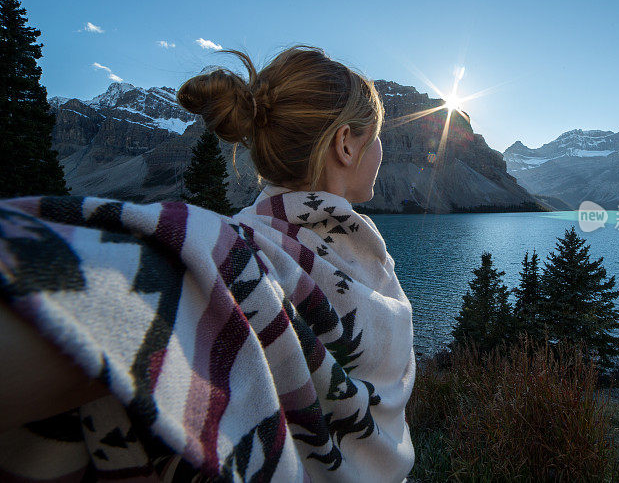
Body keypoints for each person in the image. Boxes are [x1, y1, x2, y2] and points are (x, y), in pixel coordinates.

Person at [0, 45, 415, 481]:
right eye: (377, 134)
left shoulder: (243, 254)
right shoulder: (229, 260)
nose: (383, 149)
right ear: (345, 144)